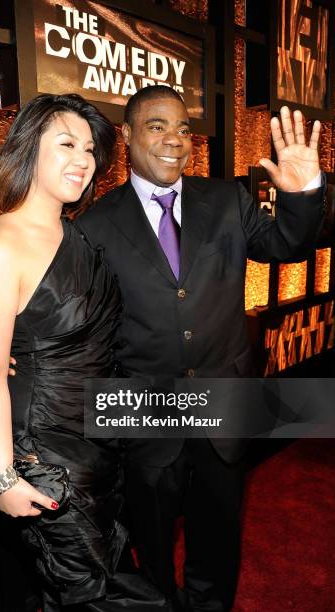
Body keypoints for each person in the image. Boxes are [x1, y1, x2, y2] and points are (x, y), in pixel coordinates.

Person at [74, 85, 325, 611]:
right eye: (157, 126)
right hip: (144, 415)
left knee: (218, 537)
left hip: (224, 404)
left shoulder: (227, 199)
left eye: (183, 129)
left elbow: (288, 245)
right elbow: (88, 332)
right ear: (128, 136)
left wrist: (303, 196)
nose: (175, 140)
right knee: (153, 543)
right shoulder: (93, 225)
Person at [0, 93, 171, 611]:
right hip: (45, 457)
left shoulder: (76, 236)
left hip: (97, 442)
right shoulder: (0, 246)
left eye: (91, 149)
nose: (84, 159)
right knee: (93, 591)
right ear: (29, 148)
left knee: (91, 578)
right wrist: (3, 478)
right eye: (67, 144)